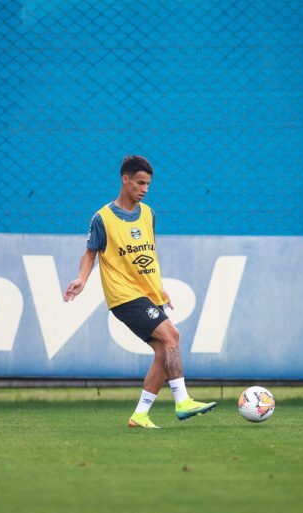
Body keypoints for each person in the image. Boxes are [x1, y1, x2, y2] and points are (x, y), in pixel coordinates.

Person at [63, 155, 216, 429]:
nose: (144, 189)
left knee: (162, 351)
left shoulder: (148, 213)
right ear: (125, 179)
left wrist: (159, 288)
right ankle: (182, 400)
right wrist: (82, 279)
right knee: (172, 335)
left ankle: (140, 415)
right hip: (124, 296)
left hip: (147, 294)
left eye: (148, 184)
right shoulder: (103, 218)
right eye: (140, 182)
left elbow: (146, 254)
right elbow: (90, 253)